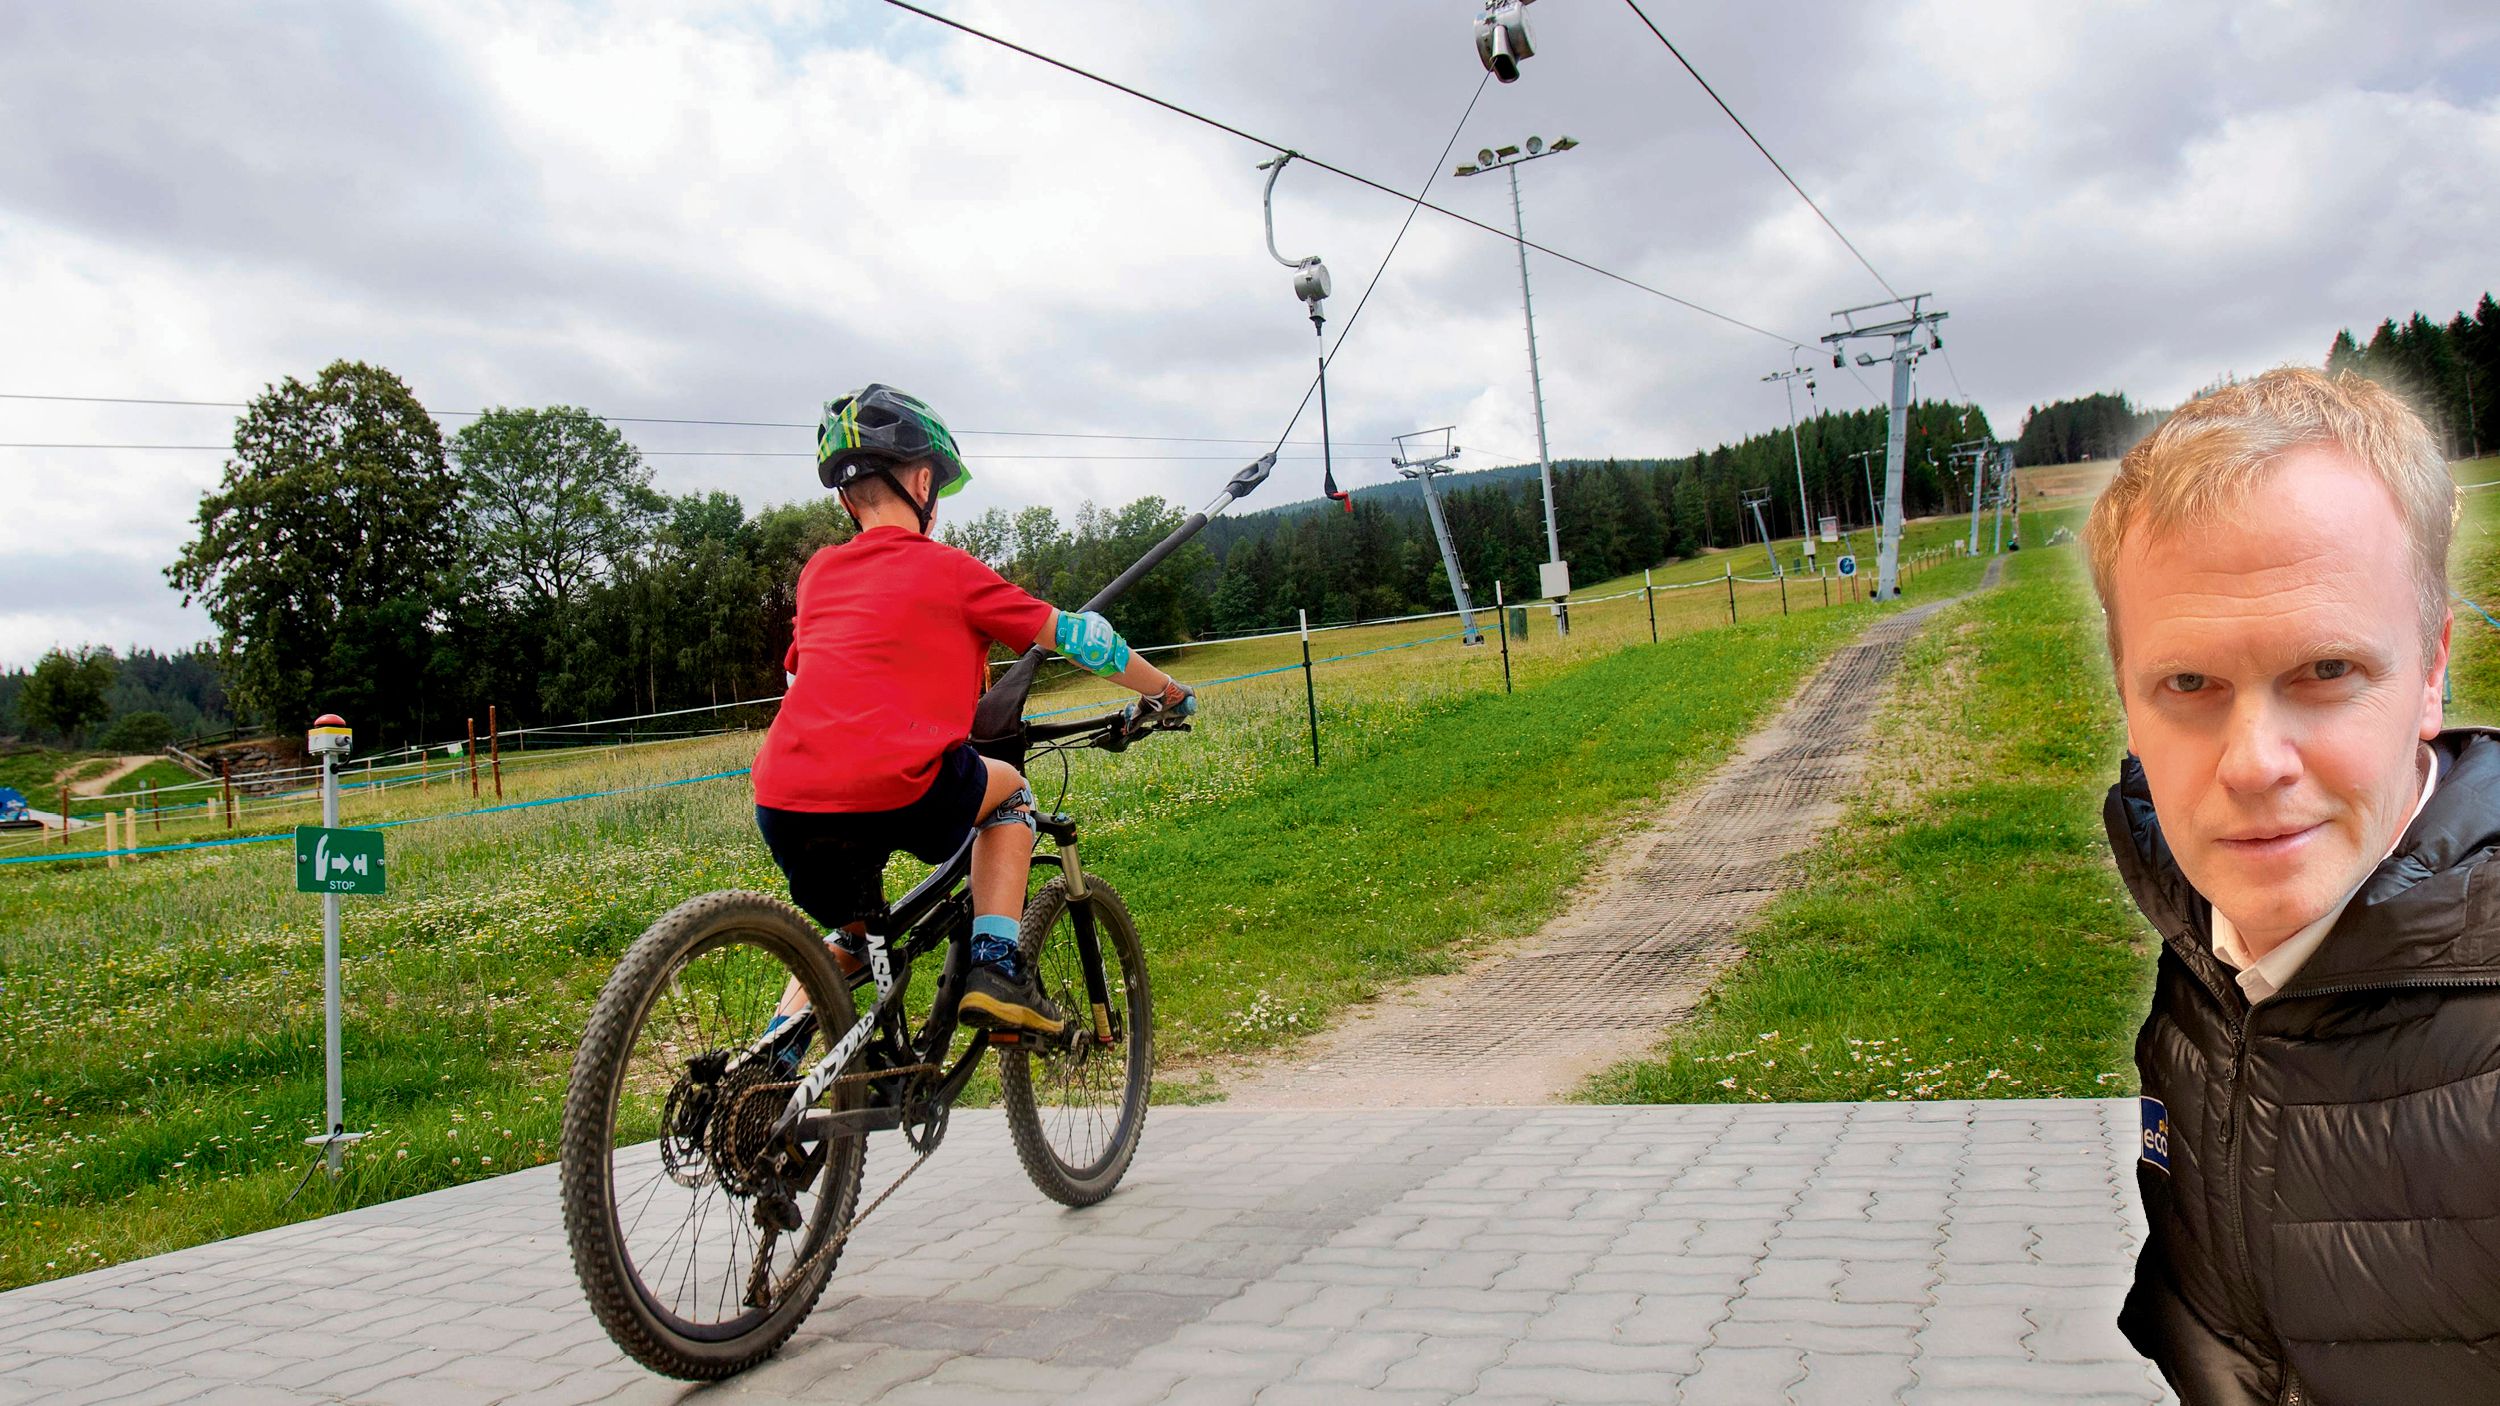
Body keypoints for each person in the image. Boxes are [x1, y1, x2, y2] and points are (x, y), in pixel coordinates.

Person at [2087, 367, 2500, 1404]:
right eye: (2188, 684)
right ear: (2128, 700)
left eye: (2323, 671)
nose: (2252, 763)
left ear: (2431, 667)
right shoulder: (2197, 930)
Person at [750, 384, 1194, 1036]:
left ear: (846, 497)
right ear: (924, 482)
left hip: (784, 801)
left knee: (853, 937)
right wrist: (1165, 693)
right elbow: (1080, 638)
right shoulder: (951, 570)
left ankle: (767, 1070)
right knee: (1011, 796)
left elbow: (800, 671)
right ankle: (996, 970)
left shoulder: (819, 573)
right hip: (900, 787)